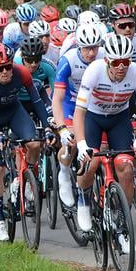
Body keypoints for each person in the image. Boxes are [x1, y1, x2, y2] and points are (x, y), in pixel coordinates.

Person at [73, 35, 136, 247]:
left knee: (126, 168)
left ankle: (121, 220)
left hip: (119, 118)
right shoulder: (94, 71)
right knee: (92, 162)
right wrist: (81, 145)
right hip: (93, 117)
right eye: (116, 62)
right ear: (107, 60)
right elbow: (79, 113)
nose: (121, 67)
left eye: (125, 62)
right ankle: (83, 200)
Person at [0, 44, 50, 241]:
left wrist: (46, 126)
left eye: (8, 67)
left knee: (34, 144)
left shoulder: (22, 73)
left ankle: (23, 180)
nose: (5, 72)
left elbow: (37, 101)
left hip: (14, 112)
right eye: (0, 68)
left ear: (13, 64)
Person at [52, 24, 105, 207]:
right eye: (87, 48)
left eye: (95, 47)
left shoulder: (105, 56)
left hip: (94, 105)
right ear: (79, 46)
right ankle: (64, 172)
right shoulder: (68, 60)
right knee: (72, 141)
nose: (91, 53)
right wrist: (61, 128)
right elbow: (57, 99)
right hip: (71, 103)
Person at [14, 35, 55, 113]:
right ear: (22, 57)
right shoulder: (14, 65)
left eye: (37, 59)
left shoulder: (49, 66)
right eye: (29, 60)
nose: (33, 64)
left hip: (39, 96)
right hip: (17, 100)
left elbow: (57, 93)